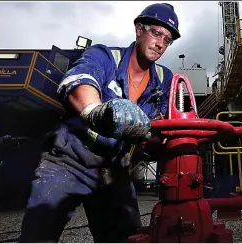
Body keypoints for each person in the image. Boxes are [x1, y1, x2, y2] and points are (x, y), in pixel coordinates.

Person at [18, 3, 180, 242]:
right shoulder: (104, 56)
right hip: (70, 159)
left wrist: (156, 141)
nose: (160, 44)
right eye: (156, 33)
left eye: (167, 40)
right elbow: (79, 79)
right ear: (139, 29)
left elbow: (163, 123)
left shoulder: (165, 79)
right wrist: (95, 110)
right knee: (38, 235)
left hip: (114, 170)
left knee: (125, 237)